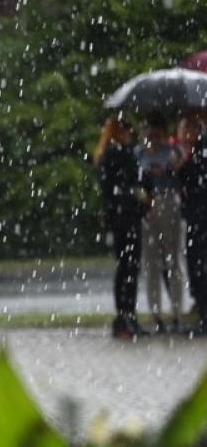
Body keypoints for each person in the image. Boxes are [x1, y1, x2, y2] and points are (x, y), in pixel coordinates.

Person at [96, 117, 145, 340]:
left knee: (126, 266)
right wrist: (137, 194)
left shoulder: (108, 154)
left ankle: (126, 314)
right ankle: (127, 314)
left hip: (120, 217)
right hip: (125, 217)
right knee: (129, 266)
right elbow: (130, 183)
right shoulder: (119, 154)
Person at [138, 118, 186, 333]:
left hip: (169, 203)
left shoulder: (172, 152)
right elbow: (135, 182)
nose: (154, 140)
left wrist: (169, 168)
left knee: (173, 261)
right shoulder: (138, 154)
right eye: (150, 135)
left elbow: (179, 171)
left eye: (158, 135)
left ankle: (177, 312)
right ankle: (156, 313)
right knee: (151, 264)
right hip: (147, 206)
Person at [176, 114, 207, 332]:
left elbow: (196, 180)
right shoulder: (195, 153)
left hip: (201, 217)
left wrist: (182, 169)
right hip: (196, 217)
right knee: (195, 264)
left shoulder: (200, 153)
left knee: (199, 265)